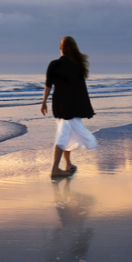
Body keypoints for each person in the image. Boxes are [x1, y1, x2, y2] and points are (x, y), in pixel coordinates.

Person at [41, 35, 96, 178]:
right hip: (71, 106)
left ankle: (68, 164)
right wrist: (85, 108)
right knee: (63, 136)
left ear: (61, 48)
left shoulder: (54, 64)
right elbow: (81, 90)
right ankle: (54, 169)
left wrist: (44, 102)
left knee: (67, 134)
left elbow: (48, 85)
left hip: (59, 106)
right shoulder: (76, 66)